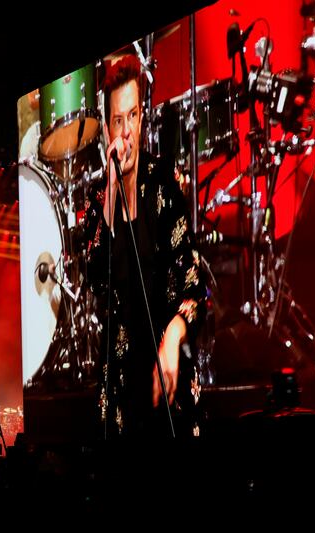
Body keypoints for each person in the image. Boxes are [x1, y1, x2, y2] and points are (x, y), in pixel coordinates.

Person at [84, 55, 207, 438]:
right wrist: (109, 197)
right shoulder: (97, 200)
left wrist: (173, 335)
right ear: (107, 130)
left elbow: (195, 286)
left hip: (168, 382)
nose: (126, 131)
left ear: (142, 119)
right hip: (121, 386)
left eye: (132, 116)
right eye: (117, 121)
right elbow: (96, 281)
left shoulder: (164, 183)